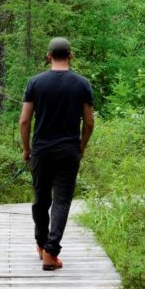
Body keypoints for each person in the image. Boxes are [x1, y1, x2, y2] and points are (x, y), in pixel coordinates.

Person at [19, 37, 94, 271]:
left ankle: (42, 246)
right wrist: (81, 147)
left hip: (41, 151)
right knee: (61, 201)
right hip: (68, 151)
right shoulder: (82, 84)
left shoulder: (35, 83)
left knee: (41, 199)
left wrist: (26, 149)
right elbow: (89, 122)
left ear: (49, 56)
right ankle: (51, 252)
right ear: (70, 56)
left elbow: (24, 120)